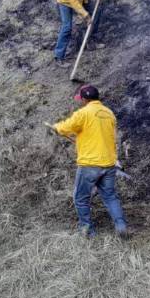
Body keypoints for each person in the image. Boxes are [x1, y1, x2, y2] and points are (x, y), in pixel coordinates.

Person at [51, 84, 129, 238]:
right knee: (110, 196)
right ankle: (121, 225)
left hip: (90, 164)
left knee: (80, 198)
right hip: (109, 162)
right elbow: (111, 137)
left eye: (81, 99)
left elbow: (66, 127)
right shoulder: (109, 114)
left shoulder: (83, 113)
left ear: (85, 99)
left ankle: (87, 231)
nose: (81, 102)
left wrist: (56, 127)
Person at [54, 0, 104, 64]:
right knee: (67, 27)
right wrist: (86, 15)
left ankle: (91, 40)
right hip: (65, 1)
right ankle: (59, 57)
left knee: (97, 11)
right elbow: (74, 2)